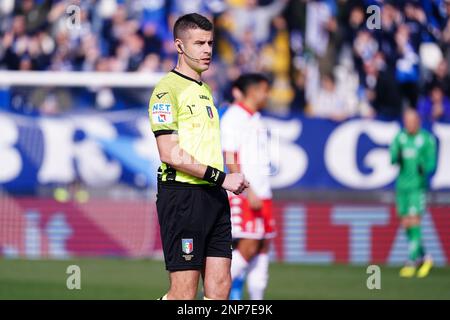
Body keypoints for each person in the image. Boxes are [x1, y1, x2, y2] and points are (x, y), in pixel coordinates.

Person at [148, 13, 249, 300]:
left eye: (210, 43)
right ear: (179, 46)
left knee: (220, 289)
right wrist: (223, 178)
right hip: (183, 196)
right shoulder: (166, 90)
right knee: (183, 294)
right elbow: (169, 153)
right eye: (199, 43)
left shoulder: (205, 90)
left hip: (214, 196)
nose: (207, 50)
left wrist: (221, 182)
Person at [221, 73, 276, 300]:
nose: (267, 95)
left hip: (264, 193)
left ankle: (256, 301)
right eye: (265, 90)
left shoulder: (256, 119)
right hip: (246, 193)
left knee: (262, 247)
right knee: (249, 245)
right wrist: (247, 190)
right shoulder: (234, 116)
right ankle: (213, 290)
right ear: (253, 91)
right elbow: (230, 156)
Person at [390, 108, 437, 278]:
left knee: (414, 220)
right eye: (406, 121)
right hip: (402, 186)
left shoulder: (426, 139)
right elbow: (393, 158)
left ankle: (411, 261)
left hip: (417, 187)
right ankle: (425, 257)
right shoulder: (400, 138)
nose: (408, 124)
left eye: (411, 121)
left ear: (417, 121)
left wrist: (423, 167)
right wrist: (396, 155)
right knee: (406, 223)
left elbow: (431, 163)